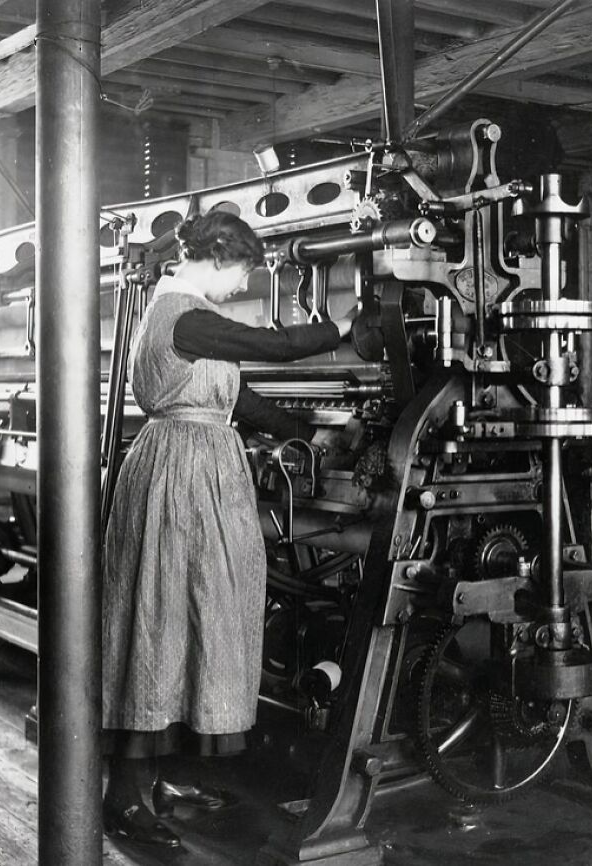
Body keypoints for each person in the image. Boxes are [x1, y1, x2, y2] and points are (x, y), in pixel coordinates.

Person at [101, 210, 356, 847]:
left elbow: (239, 400)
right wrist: (344, 329)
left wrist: (310, 435)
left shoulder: (189, 320)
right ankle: (124, 799)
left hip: (198, 472)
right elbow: (272, 347)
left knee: (192, 620)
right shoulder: (183, 314)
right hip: (180, 477)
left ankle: (158, 778)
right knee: (159, 622)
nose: (241, 284)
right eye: (242, 271)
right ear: (217, 256)